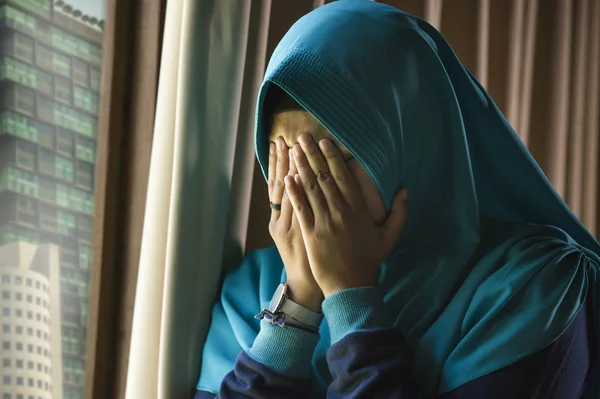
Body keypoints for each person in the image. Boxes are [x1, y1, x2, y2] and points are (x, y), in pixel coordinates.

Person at [194, 1, 599, 398]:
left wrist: (350, 296)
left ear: (414, 150)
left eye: (329, 163)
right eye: (283, 161)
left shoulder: (535, 289)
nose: (302, 192)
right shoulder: (251, 293)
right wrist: (295, 309)